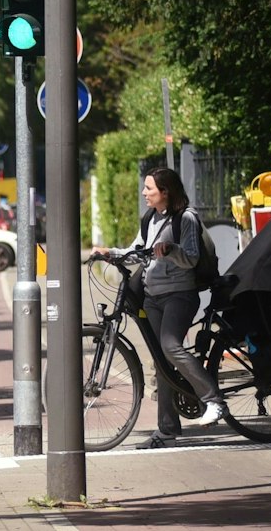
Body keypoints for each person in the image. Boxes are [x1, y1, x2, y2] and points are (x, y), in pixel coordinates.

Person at [94, 165, 225, 448]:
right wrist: (109, 253)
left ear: (165, 192)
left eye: (149, 188)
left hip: (180, 295)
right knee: (161, 361)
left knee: (170, 346)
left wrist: (171, 251)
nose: (144, 193)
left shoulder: (186, 218)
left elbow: (190, 257)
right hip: (153, 298)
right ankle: (167, 429)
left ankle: (213, 400)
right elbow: (136, 250)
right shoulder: (150, 219)